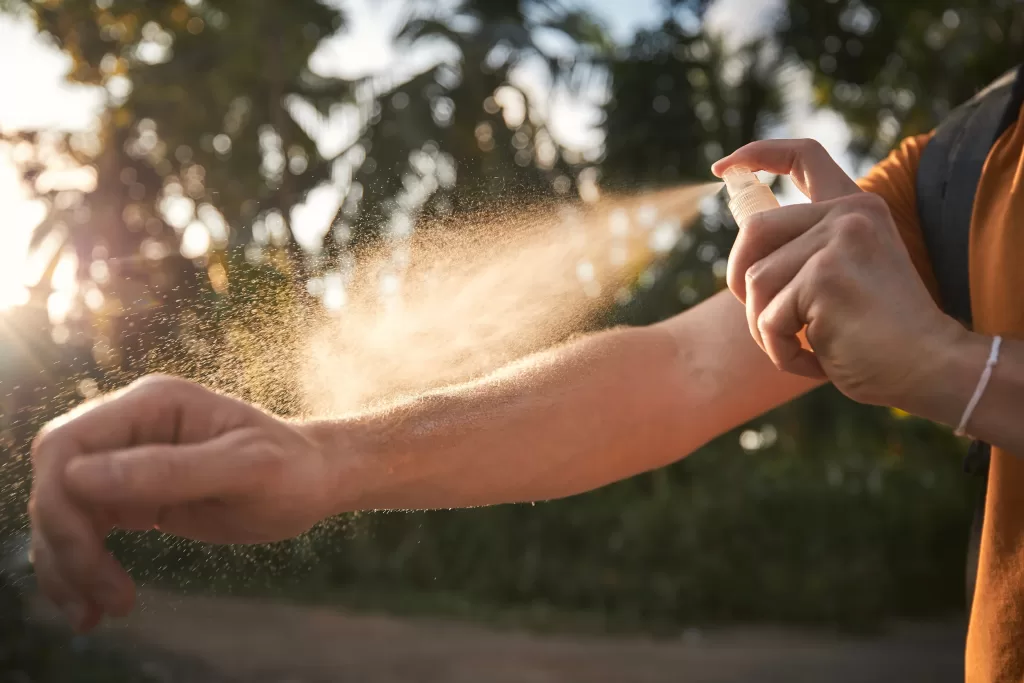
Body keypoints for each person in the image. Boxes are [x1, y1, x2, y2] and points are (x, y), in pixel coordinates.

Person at [27, 126, 1023, 679]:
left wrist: (958, 371)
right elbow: (676, 369)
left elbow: (943, 364)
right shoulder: (966, 162)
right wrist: (321, 456)